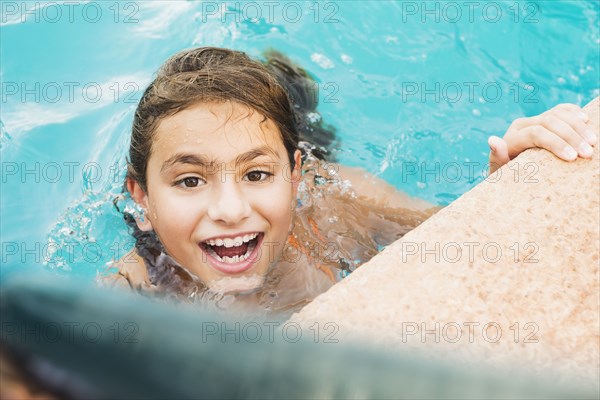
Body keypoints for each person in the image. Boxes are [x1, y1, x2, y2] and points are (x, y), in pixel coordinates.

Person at [102, 47, 596, 317]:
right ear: (141, 196)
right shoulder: (135, 293)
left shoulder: (334, 208)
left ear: (296, 178)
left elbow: (477, 247)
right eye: (190, 181)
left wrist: (505, 177)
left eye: (257, 174)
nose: (230, 209)